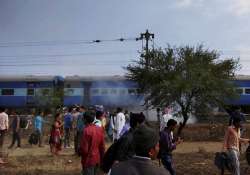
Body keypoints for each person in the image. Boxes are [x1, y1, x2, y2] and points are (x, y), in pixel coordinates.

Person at [80, 111, 105, 175]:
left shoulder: (86, 130)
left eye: (83, 118)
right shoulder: (99, 129)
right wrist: (102, 158)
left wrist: (79, 151)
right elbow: (102, 147)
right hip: (97, 159)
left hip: (88, 160)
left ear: (85, 119)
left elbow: (84, 150)